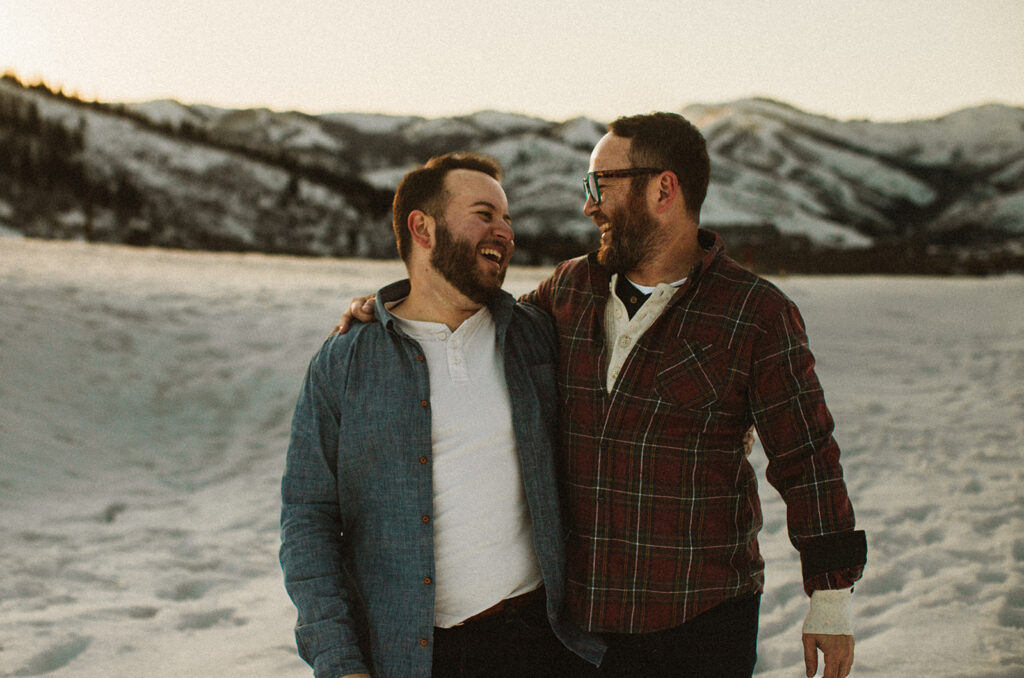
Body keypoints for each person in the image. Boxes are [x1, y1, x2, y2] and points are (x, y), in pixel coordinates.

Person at [335, 113, 867, 678]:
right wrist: (389, 311)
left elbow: (807, 456)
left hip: (701, 625)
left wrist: (829, 601)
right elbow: (478, 318)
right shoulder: (568, 290)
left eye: (600, 185)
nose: (588, 206)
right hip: (579, 634)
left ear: (663, 188)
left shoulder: (755, 313)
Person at [279, 152, 604, 678]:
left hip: (543, 644)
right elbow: (308, 520)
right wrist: (339, 662)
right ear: (422, 228)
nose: (504, 231)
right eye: (484, 214)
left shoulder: (534, 336)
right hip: (417, 656)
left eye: (508, 218)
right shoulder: (346, 361)